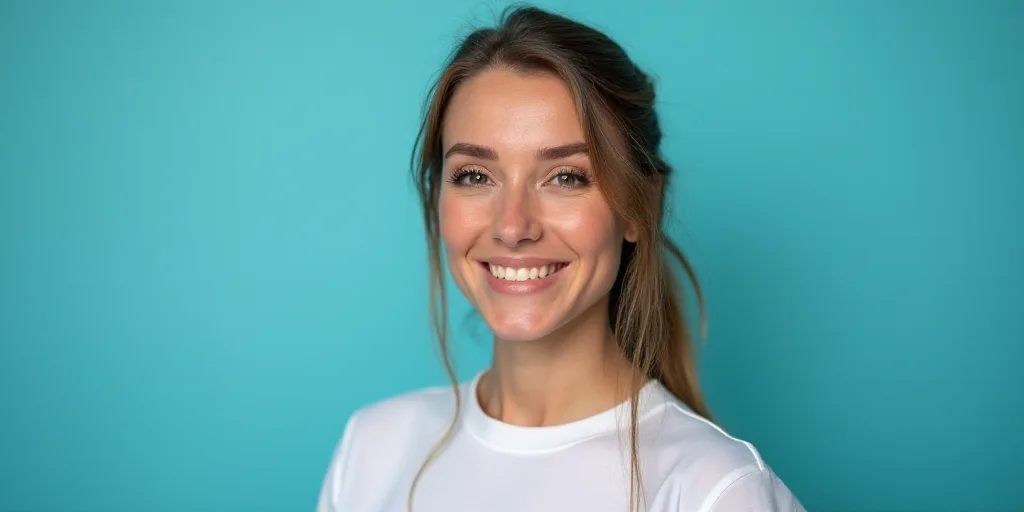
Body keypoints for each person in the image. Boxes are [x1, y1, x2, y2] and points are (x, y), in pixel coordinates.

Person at [317, 6, 804, 512]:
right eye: (475, 176)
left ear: (642, 206)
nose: (512, 226)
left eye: (566, 177)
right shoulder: (372, 450)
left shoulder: (716, 491)